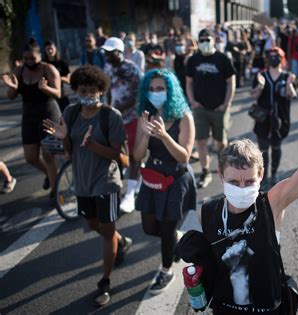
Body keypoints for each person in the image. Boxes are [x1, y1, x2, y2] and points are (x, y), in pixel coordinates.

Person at [197, 86, 298, 314]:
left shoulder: (272, 204)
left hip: (269, 308)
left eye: (249, 182)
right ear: (221, 176)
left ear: (260, 175)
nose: (242, 188)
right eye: (234, 183)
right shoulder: (207, 211)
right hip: (224, 308)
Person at [42, 65, 133, 306]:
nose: (88, 95)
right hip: (82, 184)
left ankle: (105, 282)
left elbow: (123, 158)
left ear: (101, 91)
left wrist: (94, 146)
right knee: (94, 225)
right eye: (82, 90)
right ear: (75, 90)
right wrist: (64, 140)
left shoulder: (110, 116)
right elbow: (70, 153)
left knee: (107, 231)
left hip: (106, 183)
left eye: (93, 91)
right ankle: (121, 242)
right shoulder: (71, 113)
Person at [134, 69, 196, 293]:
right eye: (151, 89)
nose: (155, 92)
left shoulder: (183, 116)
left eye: (160, 88)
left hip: (176, 178)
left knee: (167, 227)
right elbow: (137, 156)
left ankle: (166, 270)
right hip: (153, 177)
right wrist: (145, 133)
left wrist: (164, 135)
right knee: (150, 227)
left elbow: (184, 156)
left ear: (170, 90)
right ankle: (176, 238)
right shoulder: (146, 114)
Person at [2, 38, 61, 202]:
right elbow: (11, 96)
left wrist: (45, 88)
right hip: (28, 116)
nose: (29, 62)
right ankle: (49, 176)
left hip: (48, 113)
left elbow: (58, 93)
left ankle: (55, 192)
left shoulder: (48, 69)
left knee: (49, 156)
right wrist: (13, 88)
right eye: (26, 58)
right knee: (31, 158)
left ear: (39, 56)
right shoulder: (19, 71)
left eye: (32, 59)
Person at [186, 28, 236, 189]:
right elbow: (189, 83)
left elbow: (231, 82)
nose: (205, 42)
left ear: (214, 40)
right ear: (198, 42)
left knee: (220, 143)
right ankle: (205, 171)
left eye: (208, 39)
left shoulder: (222, 58)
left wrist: (226, 104)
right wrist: (192, 101)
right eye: (202, 40)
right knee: (200, 141)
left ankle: (223, 169)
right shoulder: (193, 59)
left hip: (219, 108)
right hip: (200, 108)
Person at [103, 37, 142, 213]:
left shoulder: (132, 69)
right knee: (117, 154)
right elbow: (109, 91)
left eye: (110, 53)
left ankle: (130, 194)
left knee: (134, 156)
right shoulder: (108, 68)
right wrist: (108, 108)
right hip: (115, 118)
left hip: (132, 117)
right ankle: (136, 178)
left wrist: (119, 108)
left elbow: (138, 95)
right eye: (106, 52)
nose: (107, 56)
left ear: (119, 52)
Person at [251, 47, 296, 188]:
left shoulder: (287, 76)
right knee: (263, 150)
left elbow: (292, 95)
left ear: (282, 59)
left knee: (276, 148)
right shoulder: (261, 75)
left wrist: (289, 84)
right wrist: (261, 85)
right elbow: (254, 95)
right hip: (263, 119)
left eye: (277, 56)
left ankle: (274, 173)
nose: (273, 58)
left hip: (280, 120)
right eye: (271, 56)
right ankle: (263, 177)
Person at [44, 40, 71, 112]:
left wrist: (57, 77)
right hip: (49, 96)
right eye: (47, 49)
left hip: (62, 94)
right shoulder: (43, 64)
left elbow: (68, 80)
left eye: (51, 48)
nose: (50, 51)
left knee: (66, 116)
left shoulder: (62, 63)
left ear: (55, 49)